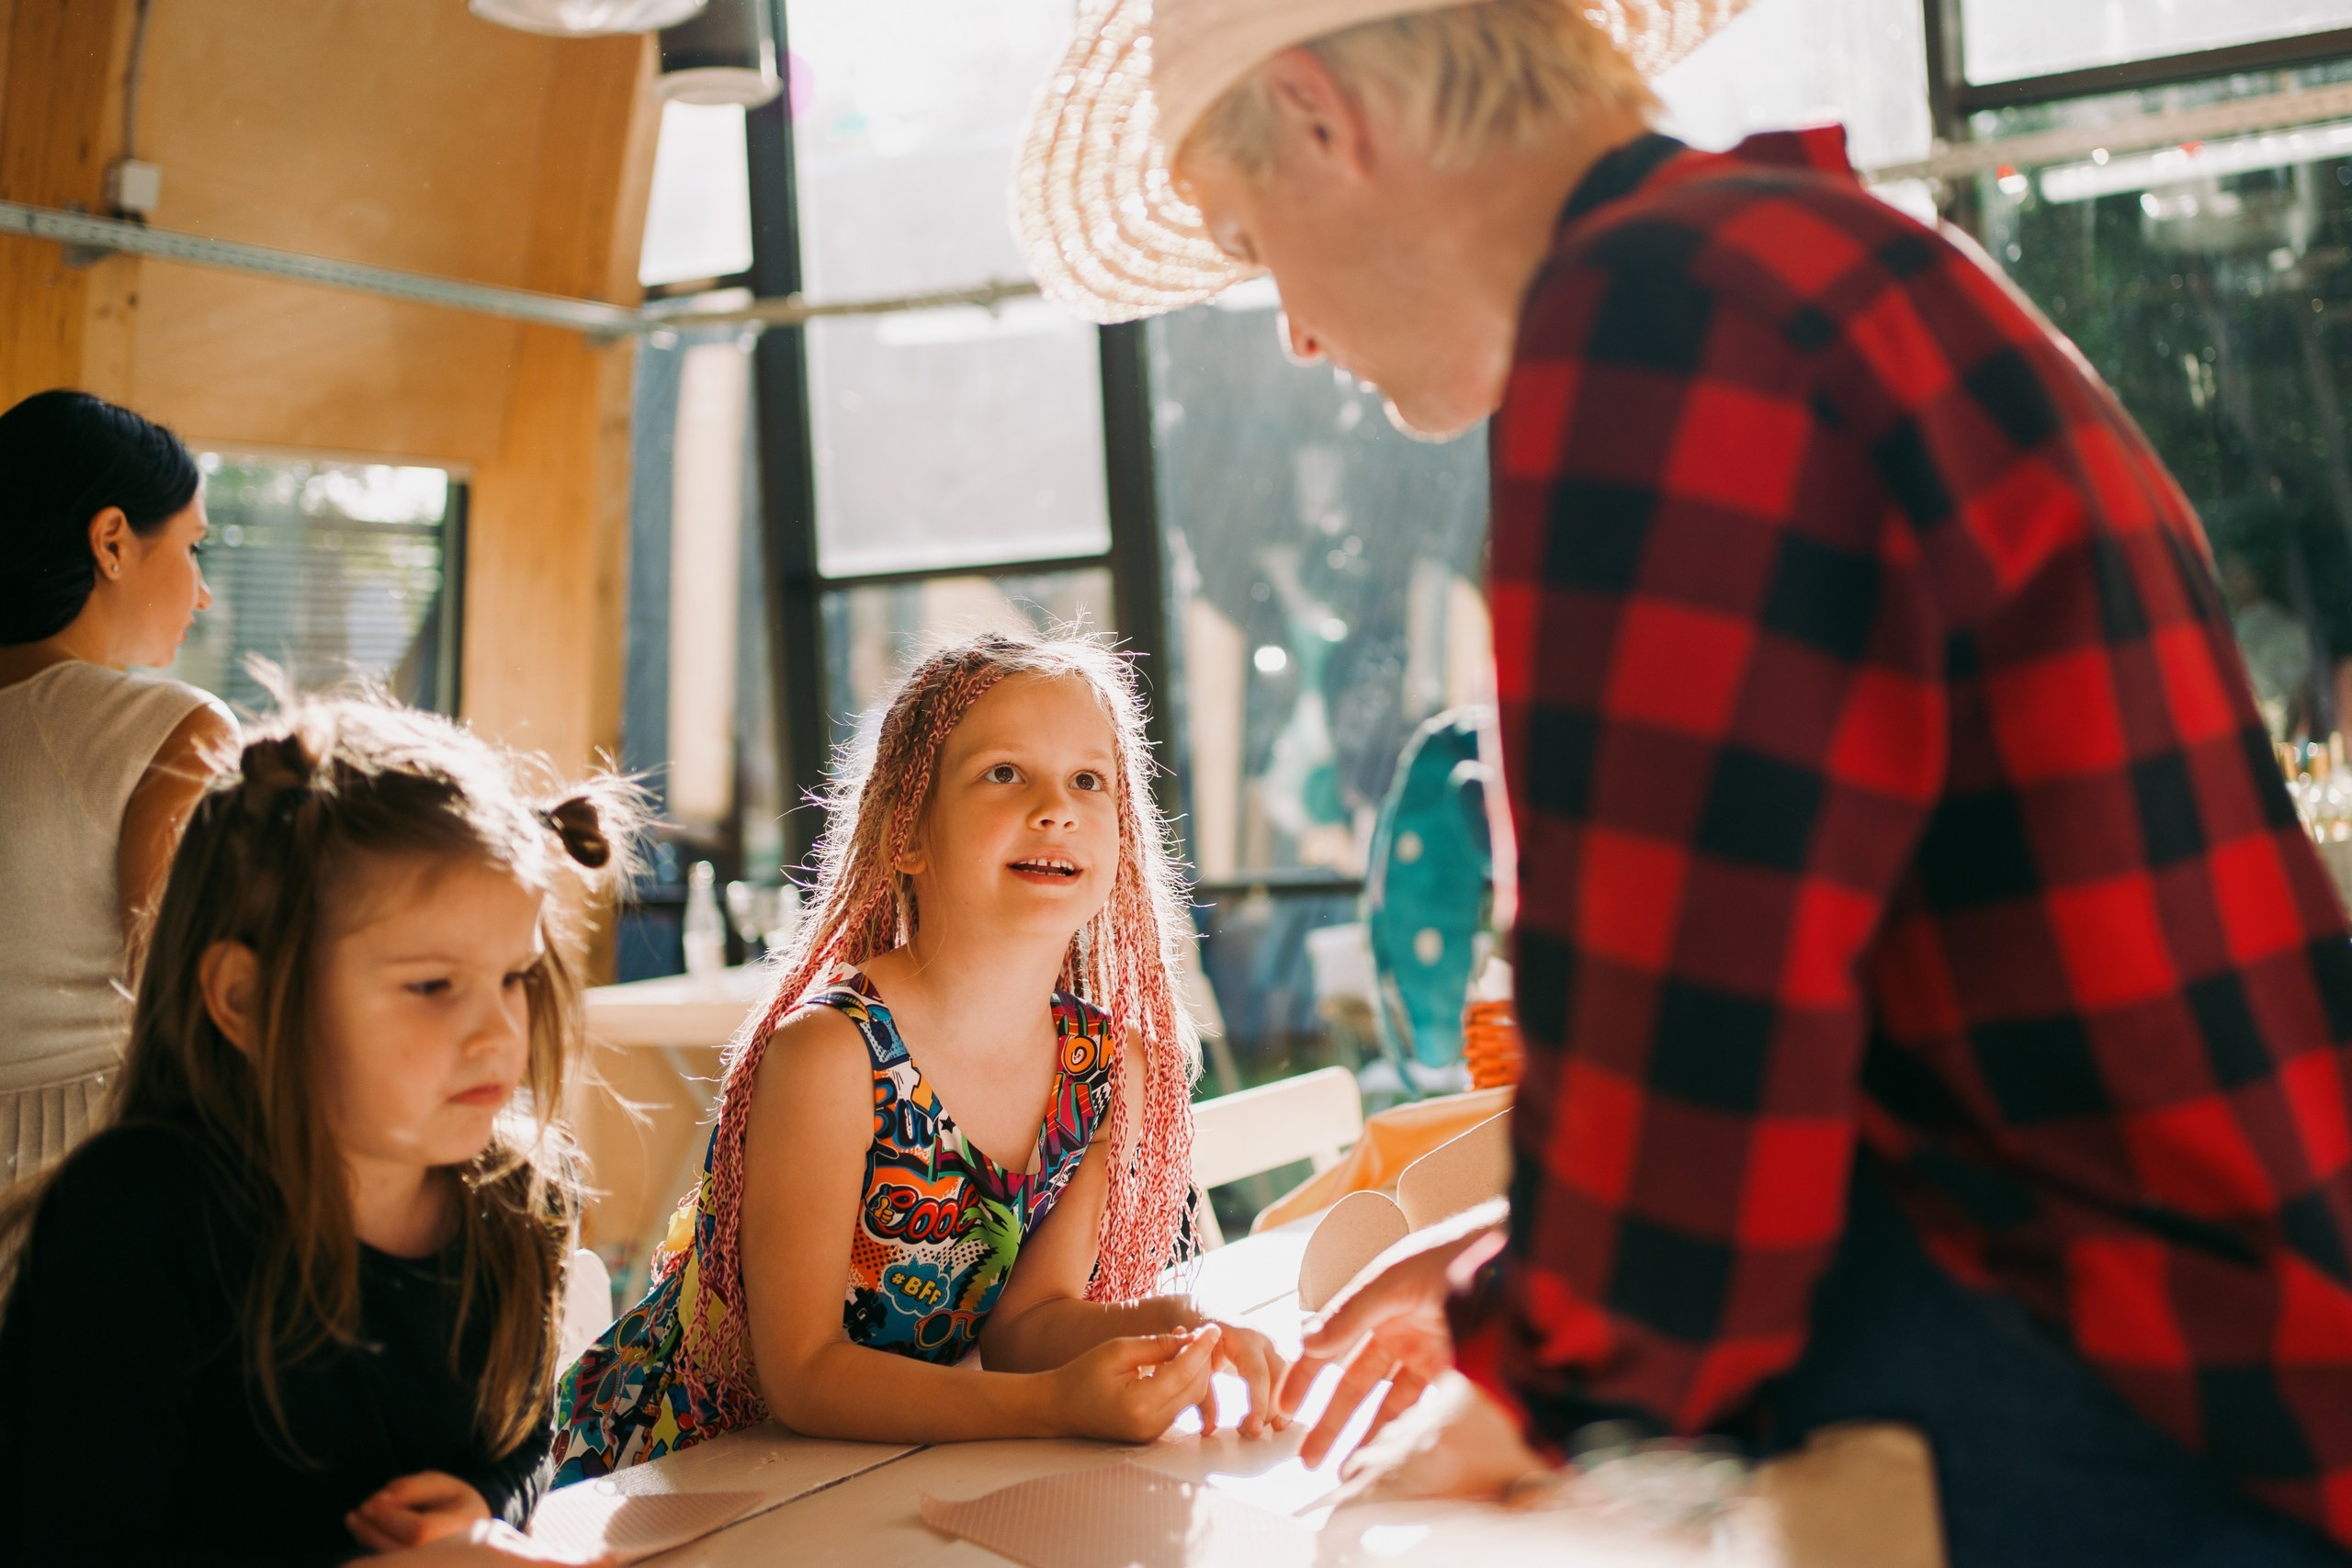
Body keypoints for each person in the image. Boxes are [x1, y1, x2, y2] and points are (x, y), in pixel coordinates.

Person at [1012, 1, 2352, 1563]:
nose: (1295, 332)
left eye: (1255, 251)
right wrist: (1509, 1266)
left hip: (2134, 1414)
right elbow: (1820, 1007)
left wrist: (1529, 1374)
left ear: (1323, 119)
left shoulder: (1658, 327)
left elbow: (1693, 1039)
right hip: (2247, 1349)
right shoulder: (1817, 261)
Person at [553, 631, 1285, 1477]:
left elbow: (1025, 1326)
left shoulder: (1111, 1069)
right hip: (674, 1472)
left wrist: (1176, 1327)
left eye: (1089, 779)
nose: (1057, 806)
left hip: (873, 1469)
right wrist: (1051, 1407)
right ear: (908, 832)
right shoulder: (832, 1056)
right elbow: (803, 1377)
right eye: (1005, 773)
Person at [0, 687, 636, 1565]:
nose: (500, 1033)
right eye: (430, 986)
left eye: (514, 977)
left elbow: (519, 1440)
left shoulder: (520, 1202)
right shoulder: (139, 1216)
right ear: (246, 999)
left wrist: (482, 1503)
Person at [0, 388, 237, 1190]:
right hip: (89, 1189)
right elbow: (196, 1014)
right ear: (111, 540)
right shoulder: (170, 729)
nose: (202, 593)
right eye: (194, 548)